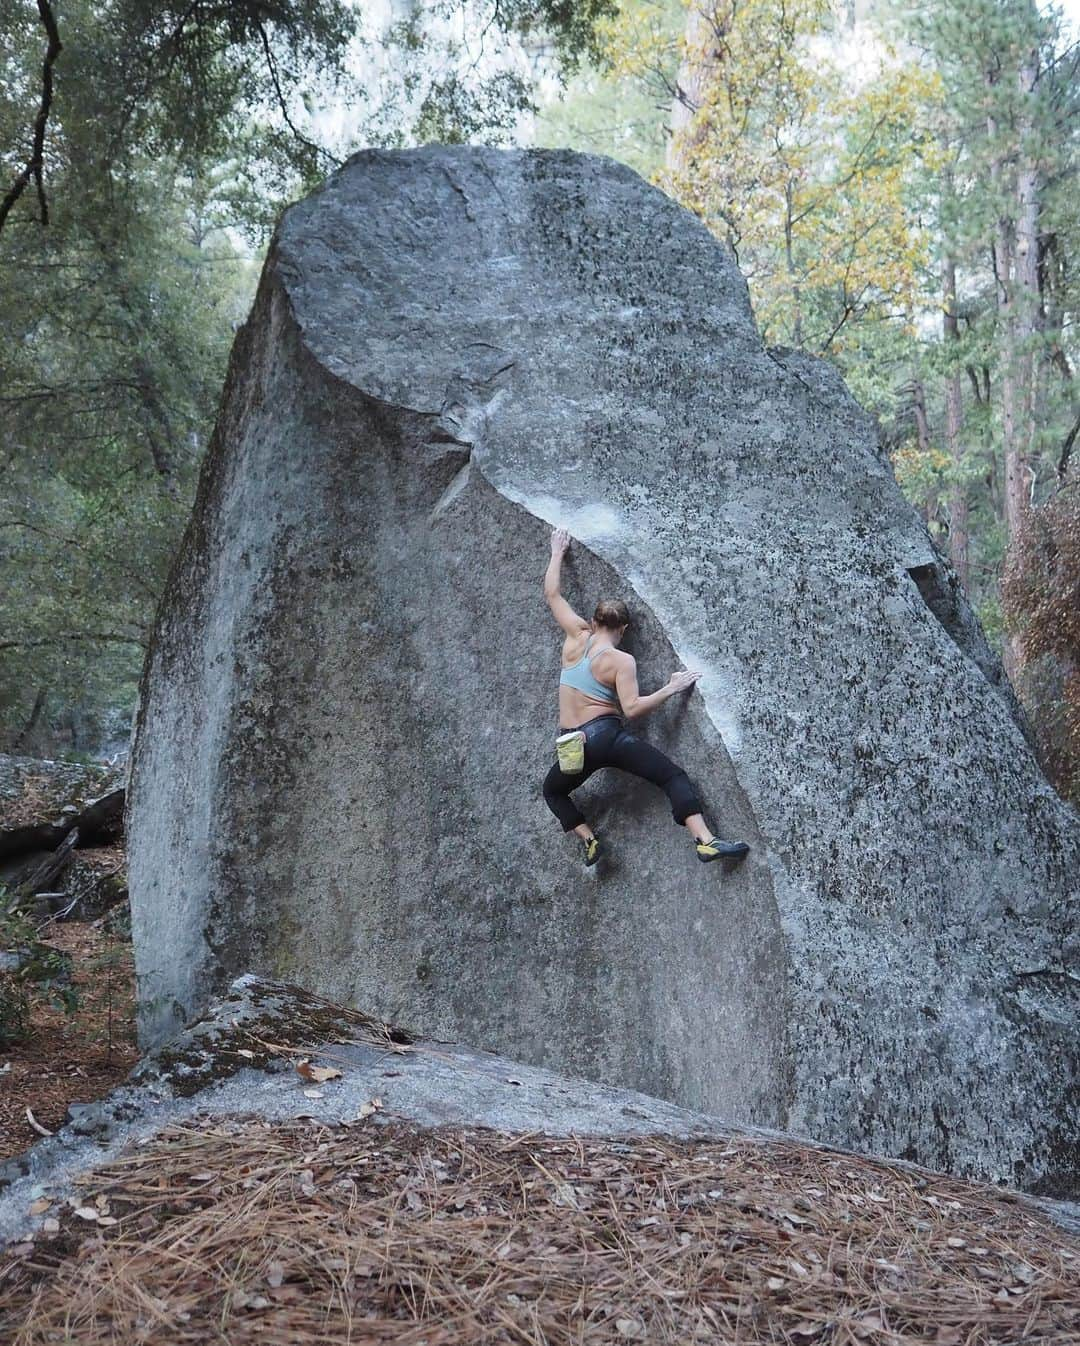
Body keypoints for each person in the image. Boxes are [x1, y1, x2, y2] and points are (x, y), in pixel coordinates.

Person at [541, 525, 751, 868]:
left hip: (571, 747)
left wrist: (556, 552)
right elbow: (633, 709)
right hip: (606, 737)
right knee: (672, 777)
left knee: (553, 790)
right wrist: (671, 688)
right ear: (622, 630)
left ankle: (591, 840)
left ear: (593, 621)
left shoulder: (575, 636)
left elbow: (552, 594)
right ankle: (705, 841)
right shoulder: (621, 660)